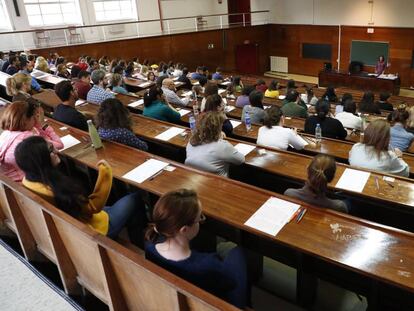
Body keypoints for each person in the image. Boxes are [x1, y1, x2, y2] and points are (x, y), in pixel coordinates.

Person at [15, 136, 148, 246]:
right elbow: (93, 207)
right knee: (135, 198)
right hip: (97, 228)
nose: (56, 150)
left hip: (80, 221)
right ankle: (138, 241)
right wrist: (106, 173)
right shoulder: (58, 191)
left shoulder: (28, 182)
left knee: (119, 203)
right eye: (50, 149)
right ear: (42, 160)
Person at [145, 189, 249, 308]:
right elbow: (229, 284)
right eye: (199, 218)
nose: (201, 221)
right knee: (238, 251)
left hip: (175, 295)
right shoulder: (208, 264)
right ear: (184, 230)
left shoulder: (150, 246)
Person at [0, 100, 63, 181]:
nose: (36, 119)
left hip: (10, 181)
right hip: (25, 181)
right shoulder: (28, 138)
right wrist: (43, 125)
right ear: (26, 119)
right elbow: (59, 145)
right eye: (34, 117)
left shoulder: (6, 133)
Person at [185, 112, 244, 177]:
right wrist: (221, 141)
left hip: (194, 178)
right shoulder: (223, 146)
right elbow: (241, 160)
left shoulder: (192, 141)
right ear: (218, 128)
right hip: (219, 183)